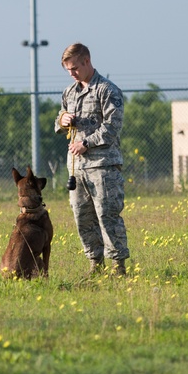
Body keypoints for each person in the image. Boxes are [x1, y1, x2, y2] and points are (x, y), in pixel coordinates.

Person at [53, 42, 130, 276]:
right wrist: (62, 121)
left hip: (103, 166)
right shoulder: (70, 92)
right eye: (68, 70)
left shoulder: (107, 90)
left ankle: (119, 267)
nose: (72, 73)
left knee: (107, 215)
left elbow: (112, 127)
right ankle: (95, 265)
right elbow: (60, 120)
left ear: (87, 61)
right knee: (82, 217)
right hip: (77, 168)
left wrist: (86, 143)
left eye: (75, 68)